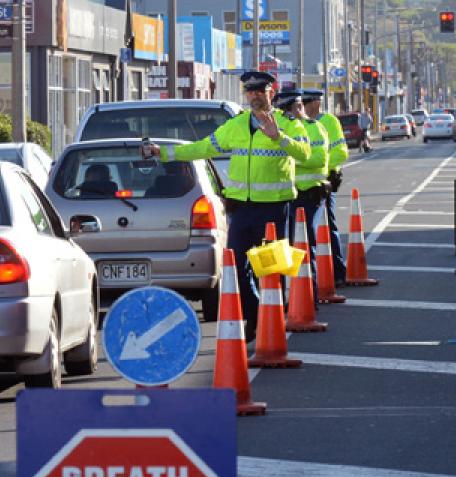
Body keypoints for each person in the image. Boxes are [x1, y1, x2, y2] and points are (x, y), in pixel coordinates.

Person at [142, 71, 311, 342]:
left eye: (259, 90)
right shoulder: (237, 124)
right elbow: (202, 148)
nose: (254, 95)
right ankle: (256, 314)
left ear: (271, 91)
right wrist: (163, 153)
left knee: (271, 269)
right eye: (250, 91)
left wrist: (279, 137)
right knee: (236, 264)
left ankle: (273, 322)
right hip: (242, 208)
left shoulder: (288, 123)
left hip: (273, 207)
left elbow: (305, 154)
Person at [277, 88, 330, 299]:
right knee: (284, 246)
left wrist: (291, 160)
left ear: (299, 107)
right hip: (285, 195)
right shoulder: (279, 129)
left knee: (304, 244)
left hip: (309, 194)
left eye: (288, 110)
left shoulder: (314, 128)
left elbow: (318, 160)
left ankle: (308, 296)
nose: (285, 115)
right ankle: (286, 296)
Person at [302, 89, 349, 285]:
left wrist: (322, 167)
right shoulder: (298, 123)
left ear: (316, 103)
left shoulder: (329, 122)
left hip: (324, 181)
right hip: (300, 184)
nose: (303, 106)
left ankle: (338, 272)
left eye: (307, 102)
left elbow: (341, 152)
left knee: (328, 225)